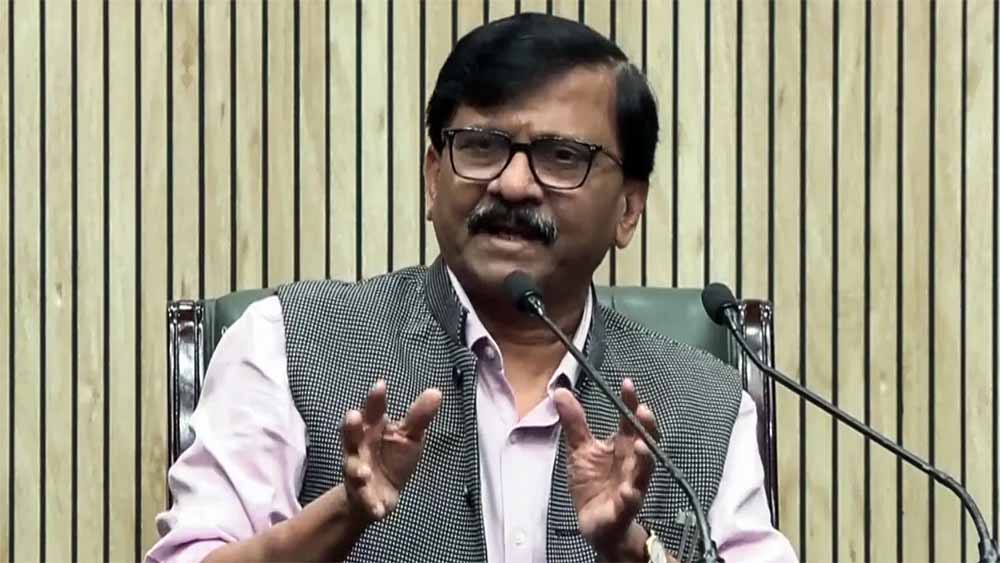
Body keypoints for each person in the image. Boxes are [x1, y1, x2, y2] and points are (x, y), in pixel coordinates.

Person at [146, 12, 796, 563]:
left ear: (628, 209)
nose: (512, 184)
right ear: (435, 178)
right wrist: (344, 513)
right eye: (481, 146)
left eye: (562, 157)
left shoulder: (708, 404)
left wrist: (635, 551)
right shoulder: (286, 342)